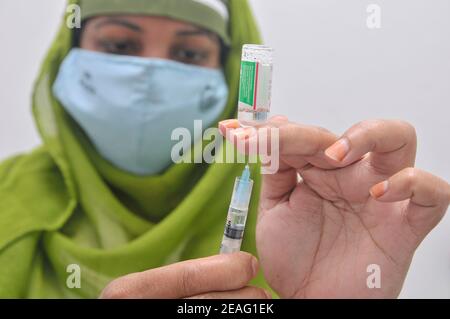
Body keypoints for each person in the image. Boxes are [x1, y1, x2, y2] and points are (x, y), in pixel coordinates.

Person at [0, 0, 448, 299]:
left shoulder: (296, 211)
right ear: (68, 52)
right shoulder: (7, 199)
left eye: (189, 55)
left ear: (233, 74)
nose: (151, 76)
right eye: (119, 45)